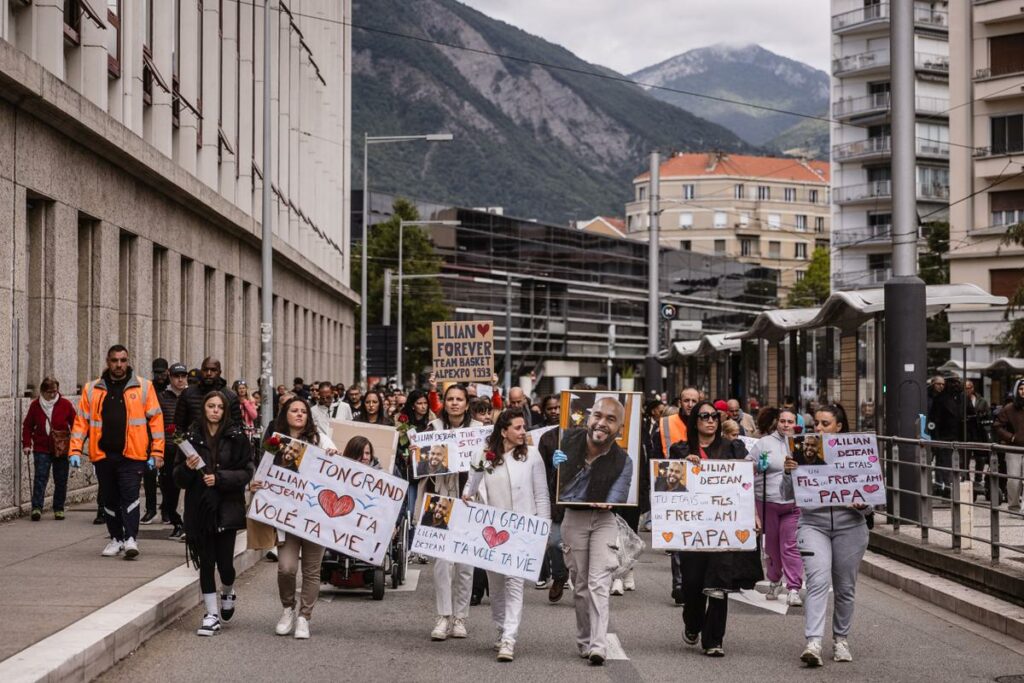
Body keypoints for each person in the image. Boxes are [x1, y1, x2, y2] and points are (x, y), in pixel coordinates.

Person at [671, 400, 761, 657]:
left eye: (714, 416)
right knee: (693, 584)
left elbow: (745, 484)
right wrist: (683, 466)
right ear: (694, 421)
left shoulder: (733, 448)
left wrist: (752, 514)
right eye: (704, 416)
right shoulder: (681, 449)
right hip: (694, 528)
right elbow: (668, 487)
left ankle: (714, 640)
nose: (710, 420)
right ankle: (693, 623)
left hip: (726, 526)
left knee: (721, 582)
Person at [783, 403, 869, 667]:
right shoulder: (802, 451)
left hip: (850, 527)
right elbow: (787, 495)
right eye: (815, 424)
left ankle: (841, 639)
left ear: (839, 427)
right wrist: (789, 474)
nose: (818, 428)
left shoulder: (857, 453)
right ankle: (814, 642)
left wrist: (864, 503)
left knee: (845, 588)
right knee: (818, 580)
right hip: (813, 524)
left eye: (824, 424)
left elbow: (873, 492)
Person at [462, 410, 551, 662]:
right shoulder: (484, 455)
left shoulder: (532, 456)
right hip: (492, 532)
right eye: (519, 427)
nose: (524, 432)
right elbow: (471, 485)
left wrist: (542, 530)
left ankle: (509, 638)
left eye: (524, 427)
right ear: (504, 431)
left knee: (514, 582)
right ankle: (501, 629)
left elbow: (542, 495)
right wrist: (467, 496)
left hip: (522, 531)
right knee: (497, 585)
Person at [550, 396, 632, 666]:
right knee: (581, 584)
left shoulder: (624, 461)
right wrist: (555, 465)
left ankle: (598, 645)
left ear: (620, 427)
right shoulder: (566, 442)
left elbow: (618, 497)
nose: (602, 422)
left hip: (604, 520)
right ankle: (585, 639)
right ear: (588, 417)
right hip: (573, 518)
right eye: (598, 415)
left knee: (599, 583)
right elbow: (553, 485)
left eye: (611, 419)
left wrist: (612, 501)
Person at [69, 345, 165, 559]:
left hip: (133, 455)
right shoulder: (92, 389)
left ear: (128, 361)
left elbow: (156, 422)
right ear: (107, 361)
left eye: (123, 360)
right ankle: (116, 538)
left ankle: (131, 538)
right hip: (103, 455)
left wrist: (157, 453)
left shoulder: (143, 387)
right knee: (110, 500)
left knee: (130, 496)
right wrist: (74, 450)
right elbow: (80, 422)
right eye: (115, 360)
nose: (119, 365)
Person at [253, 396, 336, 639]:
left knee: (312, 570)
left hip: (314, 516)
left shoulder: (320, 439)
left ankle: (304, 618)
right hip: (286, 517)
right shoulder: (274, 441)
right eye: (294, 410)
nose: (299, 414)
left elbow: (336, 471)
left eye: (303, 411)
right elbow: (263, 470)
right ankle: (288, 609)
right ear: (285, 415)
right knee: (286, 568)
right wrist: (257, 485)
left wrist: (332, 455)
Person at [174, 391, 253, 636]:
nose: (215, 410)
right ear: (204, 408)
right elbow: (178, 477)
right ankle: (210, 614)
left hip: (227, 506)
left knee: (226, 565)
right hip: (200, 508)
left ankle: (228, 590)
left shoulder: (237, 437)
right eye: (211, 406)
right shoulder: (190, 438)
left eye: (220, 406)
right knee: (206, 564)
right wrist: (187, 470)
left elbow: (247, 471)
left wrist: (219, 478)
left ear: (225, 410)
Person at [419, 384, 481, 642]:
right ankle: (443, 616)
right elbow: (422, 465)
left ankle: (460, 618)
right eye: (450, 399)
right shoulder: (432, 429)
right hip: (440, 499)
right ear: (444, 403)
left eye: (459, 399)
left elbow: (486, 464)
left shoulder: (479, 430)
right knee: (442, 563)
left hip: (469, 500)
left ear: (467, 404)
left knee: (466, 564)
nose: (455, 403)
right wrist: (419, 455)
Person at [749, 408, 803, 605]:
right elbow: (748, 467)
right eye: (783, 421)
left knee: (791, 546)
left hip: (793, 503)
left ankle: (794, 588)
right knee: (771, 545)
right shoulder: (763, 443)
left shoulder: (801, 444)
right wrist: (758, 466)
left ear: (795, 424)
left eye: (790, 421)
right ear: (777, 422)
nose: (786, 425)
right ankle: (774, 581)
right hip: (767, 501)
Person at [654, 386, 700, 605]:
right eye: (686, 400)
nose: (690, 404)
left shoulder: (707, 421)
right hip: (674, 484)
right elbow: (655, 456)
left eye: (694, 400)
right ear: (680, 402)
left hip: (702, 489)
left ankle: (696, 583)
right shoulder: (666, 423)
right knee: (679, 538)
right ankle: (679, 585)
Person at [22, 376, 76, 521]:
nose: (53, 395)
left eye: (55, 391)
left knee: (61, 479)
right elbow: (27, 426)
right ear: (42, 391)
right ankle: (37, 508)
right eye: (50, 392)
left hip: (61, 448)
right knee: (40, 478)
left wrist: (75, 445)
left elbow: (76, 423)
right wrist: (26, 444)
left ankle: (58, 508)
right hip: (41, 447)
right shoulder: (35, 405)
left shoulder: (65, 404)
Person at [175, 358, 242, 441]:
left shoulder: (231, 396)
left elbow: (237, 429)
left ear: (219, 372)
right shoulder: (188, 394)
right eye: (205, 370)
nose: (209, 373)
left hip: (221, 448)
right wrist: (186, 450)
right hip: (193, 448)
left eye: (213, 370)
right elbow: (178, 427)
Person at [159, 363, 189, 540]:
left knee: (186, 489)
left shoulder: (190, 396)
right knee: (168, 489)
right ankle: (175, 521)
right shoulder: (162, 397)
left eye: (183, 376)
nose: (180, 379)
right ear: (170, 377)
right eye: (177, 376)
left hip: (187, 451)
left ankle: (186, 524)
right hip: (168, 449)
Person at [927, 375, 969, 498]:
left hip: (958, 437)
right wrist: (936, 438)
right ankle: (945, 487)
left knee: (956, 463)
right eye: (954, 383)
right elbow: (935, 421)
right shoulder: (939, 400)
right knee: (944, 463)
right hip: (944, 437)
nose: (956, 385)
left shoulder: (961, 399)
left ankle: (950, 487)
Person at [141, 359, 169, 524]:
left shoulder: (170, 388)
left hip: (168, 438)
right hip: (150, 437)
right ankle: (151, 509)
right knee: (149, 475)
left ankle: (166, 509)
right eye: (157, 372)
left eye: (162, 372)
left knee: (166, 478)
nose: (160, 376)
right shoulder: (148, 388)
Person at [993, 379, 1024, 512]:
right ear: (1017, 390)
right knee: (1013, 480)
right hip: (1013, 448)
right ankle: (1014, 507)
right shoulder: (1009, 408)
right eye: (1021, 389)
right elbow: (997, 426)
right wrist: (1011, 437)